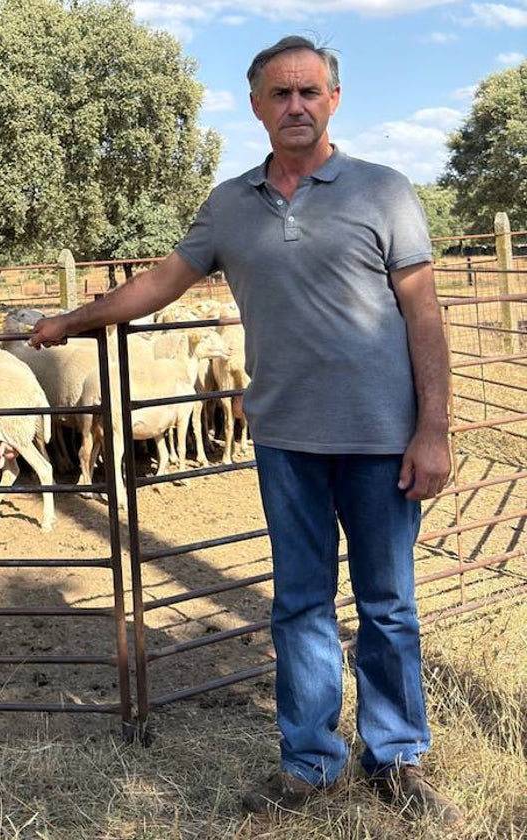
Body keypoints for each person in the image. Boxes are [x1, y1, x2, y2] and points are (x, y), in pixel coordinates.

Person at [29, 35, 462, 828]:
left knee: (388, 603)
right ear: (257, 106)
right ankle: (309, 764)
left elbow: (424, 314)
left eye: (309, 92)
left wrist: (433, 428)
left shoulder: (384, 191)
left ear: (334, 99)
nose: (295, 106)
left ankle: (396, 756)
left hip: (380, 439)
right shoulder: (230, 205)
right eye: (280, 94)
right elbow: (164, 281)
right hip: (286, 439)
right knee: (298, 603)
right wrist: (72, 320)